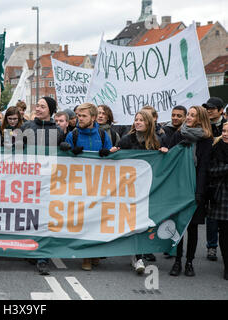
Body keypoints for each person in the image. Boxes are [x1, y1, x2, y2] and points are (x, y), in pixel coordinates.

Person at [110, 110, 168, 274]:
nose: (137, 122)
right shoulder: (127, 139)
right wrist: (114, 152)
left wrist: (165, 152)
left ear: (149, 123)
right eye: (136, 119)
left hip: (148, 189)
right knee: (131, 221)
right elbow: (117, 159)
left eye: (141, 120)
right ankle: (135, 254)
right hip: (130, 188)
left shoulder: (157, 141)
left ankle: (138, 255)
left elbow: (162, 164)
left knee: (142, 222)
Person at [61, 103, 113, 271]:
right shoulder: (72, 135)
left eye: (83, 116)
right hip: (79, 185)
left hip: (99, 184)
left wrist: (108, 153)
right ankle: (86, 257)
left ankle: (94, 252)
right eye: (78, 116)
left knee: (97, 220)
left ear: (92, 117)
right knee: (83, 221)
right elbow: (64, 159)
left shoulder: (103, 134)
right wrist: (69, 151)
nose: (79, 119)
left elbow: (113, 156)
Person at [20, 97, 64, 275]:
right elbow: (13, 149)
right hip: (28, 179)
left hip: (49, 181)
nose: (38, 108)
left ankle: (42, 257)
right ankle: (30, 248)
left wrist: (66, 147)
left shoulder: (58, 130)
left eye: (42, 106)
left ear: (50, 110)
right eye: (37, 105)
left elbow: (61, 153)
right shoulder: (26, 127)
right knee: (29, 215)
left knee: (44, 218)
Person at [168, 106, 213, 277]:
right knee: (178, 226)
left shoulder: (206, 139)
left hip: (195, 186)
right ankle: (177, 261)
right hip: (179, 187)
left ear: (200, 119)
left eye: (192, 116)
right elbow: (170, 157)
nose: (188, 118)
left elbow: (203, 168)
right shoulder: (179, 134)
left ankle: (189, 262)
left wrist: (199, 192)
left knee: (192, 227)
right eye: (189, 115)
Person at [202, 97, 227, 262]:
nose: (209, 110)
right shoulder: (204, 126)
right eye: (207, 108)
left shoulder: (225, 125)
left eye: (212, 108)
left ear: (220, 110)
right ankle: (212, 247)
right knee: (211, 218)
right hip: (214, 182)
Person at [207, 122, 228, 280]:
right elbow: (210, 170)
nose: (225, 133)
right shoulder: (216, 147)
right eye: (224, 131)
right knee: (225, 233)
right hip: (221, 195)